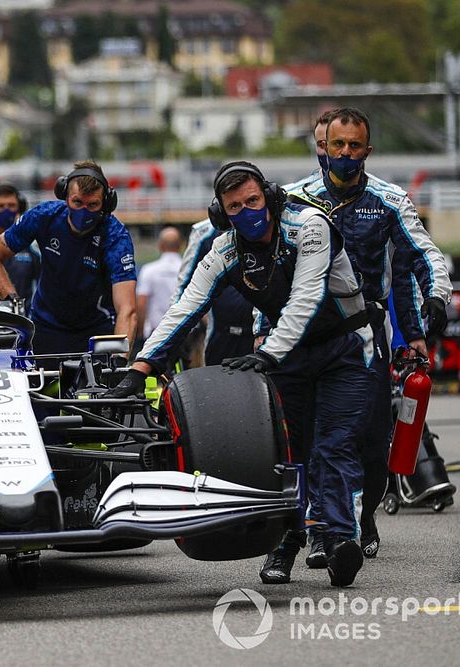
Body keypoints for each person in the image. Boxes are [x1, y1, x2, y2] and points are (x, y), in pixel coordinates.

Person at [107, 161, 373, 587]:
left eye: (252, 200)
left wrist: (267, 354)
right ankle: (284, 542)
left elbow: (305, 297)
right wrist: (140, 367)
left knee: (334, 445)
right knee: (285, 451)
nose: (247, 211)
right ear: (222, 213)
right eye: (235, 207)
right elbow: (185, 307)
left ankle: (340, 539)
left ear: (268, 196)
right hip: (288, 355)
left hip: (343, 348)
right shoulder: (225, 251)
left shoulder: (309, 226)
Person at [287, 107, 452, 563]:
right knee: (317, 436)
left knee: (374, 440)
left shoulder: (389, 199)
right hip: (308, 330)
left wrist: (436, 298)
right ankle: (325, 530)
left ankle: (365, 514)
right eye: (336, 145)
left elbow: (424, 255)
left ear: (367, 150)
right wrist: (266, 332)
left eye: (353, 146)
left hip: (366, 331)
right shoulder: (294, 199)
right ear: (323, 146)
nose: (344, 153)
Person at [0, 161, 137, 358]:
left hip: (96, 330)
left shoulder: (115, 236)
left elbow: (127, 310)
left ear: (106, 203)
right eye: (77, 202)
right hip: (45, 326)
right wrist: (12, 300)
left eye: (92, 205)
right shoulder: (44, 216)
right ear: (65, 197)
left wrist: (119, 359)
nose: (84, 211)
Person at [174, 219, 256, 365]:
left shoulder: (268, 223)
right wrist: (176, 335)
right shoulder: (204, 232)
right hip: (220, 334)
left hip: (261, 335)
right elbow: (184, 286)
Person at [136, 226, 183, 341]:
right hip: (184, 332)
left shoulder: (149, 270)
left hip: (156, 333)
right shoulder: (189, 269)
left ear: (160, 246)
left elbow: (141, 303)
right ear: (180, 245)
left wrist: (140, 332)